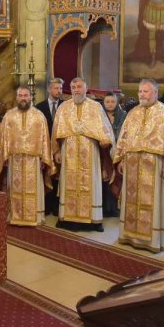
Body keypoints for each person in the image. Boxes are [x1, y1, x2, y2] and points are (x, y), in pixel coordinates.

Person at [112, 80, 164, 252]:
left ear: (155, 93)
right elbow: (124, 137)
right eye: (140, 91)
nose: (141, 94)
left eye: (145, 91)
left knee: (154, 202)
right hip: (132, 164)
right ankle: (130, 235)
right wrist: (120, 158)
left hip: (155, 165)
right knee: (132, 201)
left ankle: (154, 240)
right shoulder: (133, 113)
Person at [52, 77, 115, 231]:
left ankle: (93, 219)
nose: (76, 90)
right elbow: (55, 132)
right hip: (69, 153)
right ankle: (68, 218)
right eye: (73, 87)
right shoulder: (63, 108)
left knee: (91, 183)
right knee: (69, 183)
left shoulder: (95, 107)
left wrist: (106, 140)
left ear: (85, 89)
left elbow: (106, 129)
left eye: (79, 87)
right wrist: (56, 150)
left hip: (90, 153)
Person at [0, 84, 53, 226]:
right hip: (15, 160)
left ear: (30, 97)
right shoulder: (9, 115)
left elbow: (45, 139)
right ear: (16, 97)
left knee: (33, 189)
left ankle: (35, 217)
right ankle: (14, 215)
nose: (23, 98)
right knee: (15, 189)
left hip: (33, 160)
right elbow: (3, 138)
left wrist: (43, 158)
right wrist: (5, 156)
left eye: (25, 96)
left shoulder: (39, 116)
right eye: (20, 96)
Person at [36, 77, 65, 218]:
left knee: (59, 176)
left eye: (60, 88)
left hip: (60, 146)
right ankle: (46, 205)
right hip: (45, 146)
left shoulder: (65, 106)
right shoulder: (39, 107)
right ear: (49, 89)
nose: (58, 91)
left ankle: (57, 206)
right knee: (46, 173)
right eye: (56, 88)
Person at [101, 92, 127, 216]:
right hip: (103, 151)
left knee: (116, 178)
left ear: (117, 103)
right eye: (107, 102)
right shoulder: (98, 115)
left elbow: (125, 132)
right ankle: (104, 207)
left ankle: (114, 208)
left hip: (118, 151)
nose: (110, 104)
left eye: (112, 102)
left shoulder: (123, 115)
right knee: (104, 178)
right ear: (103, 103)